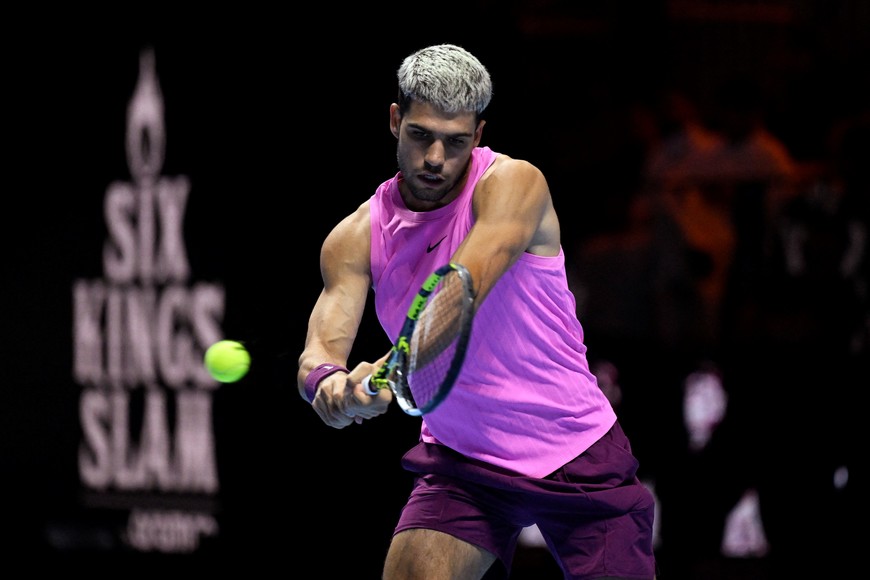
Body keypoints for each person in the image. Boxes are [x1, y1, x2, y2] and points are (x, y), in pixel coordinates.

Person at [297, 43, 657, 580]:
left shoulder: (514, 185)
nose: (436, 158)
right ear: (395, 121)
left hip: (574, 450)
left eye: (455, 141)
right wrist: (331, 386)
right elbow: (320, 352)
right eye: (421, 135)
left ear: (479, 136)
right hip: (463, 463)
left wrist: (395, 366)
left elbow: (460, 290)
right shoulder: (354, 236)